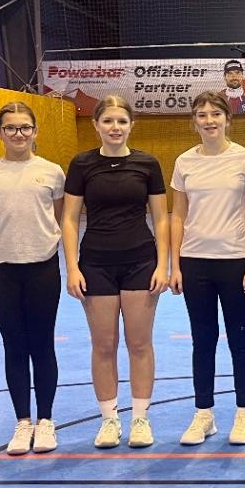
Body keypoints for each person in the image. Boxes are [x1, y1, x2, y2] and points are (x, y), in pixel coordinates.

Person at [61, 95, 170, 450]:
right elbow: (69, 219)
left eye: (121, 121)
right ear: (96, 125)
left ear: (131, 125)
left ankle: (140, 418)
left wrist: (163, 264)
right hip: (96, 265)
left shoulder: (147, 164)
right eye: (108, 121)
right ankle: (109, 420)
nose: (115, 127)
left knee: (139, 344)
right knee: (103, 345)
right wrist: (72, 267)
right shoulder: (81, 164)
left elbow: (161, 218)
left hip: (141, 262)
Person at [168, 91, 245, 445]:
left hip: (236, 261)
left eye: (215, 114)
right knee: (202, 340)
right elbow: (178, 215)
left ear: (228, 119)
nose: (209, 120)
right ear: (194, 121)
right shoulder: (184, 162)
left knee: (241, 339)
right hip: (195, 263)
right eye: (202, 115)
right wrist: (175, 264)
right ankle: (204, 414)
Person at [0, 103, 65, 456]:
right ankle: (22, 421)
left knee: (42, 344)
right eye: (11, 128)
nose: (18, 133)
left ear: (35, 131)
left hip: (42, 268)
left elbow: (59, 218)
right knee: (14, 346)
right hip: (2, 269)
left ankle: (45, 420)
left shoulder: (52, 172)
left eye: (25, 127)